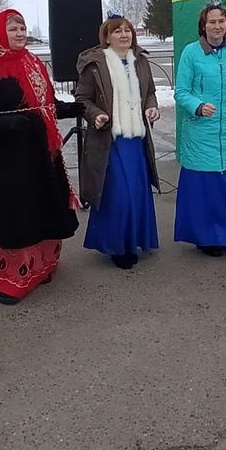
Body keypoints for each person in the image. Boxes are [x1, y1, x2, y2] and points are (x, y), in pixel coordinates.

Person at [0, 8, 82, 303]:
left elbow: (46, 104)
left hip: (38, 148)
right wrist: (5, 123)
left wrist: (73, 109)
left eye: (22, 28)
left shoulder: (34, 63)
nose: (19, 34)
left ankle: (41, 266)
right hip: (4, 155)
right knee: (16, 211)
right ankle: (9, 280)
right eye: (13, 29)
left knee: (40, 205)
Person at [74, 14, 162, 269]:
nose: (124, 35)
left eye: (128, 31)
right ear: (106, 37)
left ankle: (134, 241)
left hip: (137, 141)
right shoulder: (95, 65)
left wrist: (151, 108)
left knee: (137, 193)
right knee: (118, 195)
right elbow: (82, 99)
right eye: (117, 31)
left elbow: (150, 94)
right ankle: (116, 245)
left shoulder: (140, 62)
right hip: (110, 141)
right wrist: (96, 115)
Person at [173, 0, 226, 256]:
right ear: (203, 25)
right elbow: (181, 92)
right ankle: (207, 238)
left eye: (221, 21)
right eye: (212, 22)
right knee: (204, 190)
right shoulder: (191, 52)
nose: (217, 26)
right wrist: (198, 105)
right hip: (201, 133)